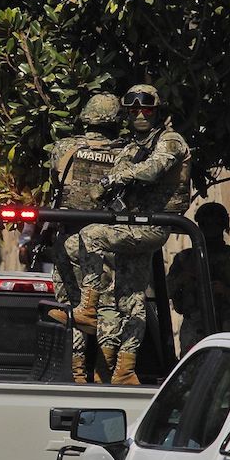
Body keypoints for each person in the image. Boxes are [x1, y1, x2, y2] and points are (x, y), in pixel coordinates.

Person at [54, 84, 191, 385]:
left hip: (153, 225)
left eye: (146, 108)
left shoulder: (170, 140)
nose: (140, 114)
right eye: (134, 109)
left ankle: (88, 307)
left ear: (157, 111)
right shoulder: (130, 147)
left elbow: (153, 169)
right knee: (128, 297)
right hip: (130, 226)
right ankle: (121, 370)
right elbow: (115, 177)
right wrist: (108, 186)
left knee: (92, 235)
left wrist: (117, 176)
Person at [37, 92, 125, 383]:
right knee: (108, 306)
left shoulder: (65, 147)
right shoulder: (125, 152)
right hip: (108, 242)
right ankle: (104, 372)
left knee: (71, 308)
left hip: (70, 238)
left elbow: (55, 183)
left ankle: (75, 373)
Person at [168, 202, 230, 353]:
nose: (210, 231)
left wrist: (225, 291)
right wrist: (182, 279)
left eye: (214, 226)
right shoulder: (185, 259)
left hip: (223, 323)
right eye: (206, 225)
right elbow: (165, 290)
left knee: (224, 364)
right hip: (193, 325)